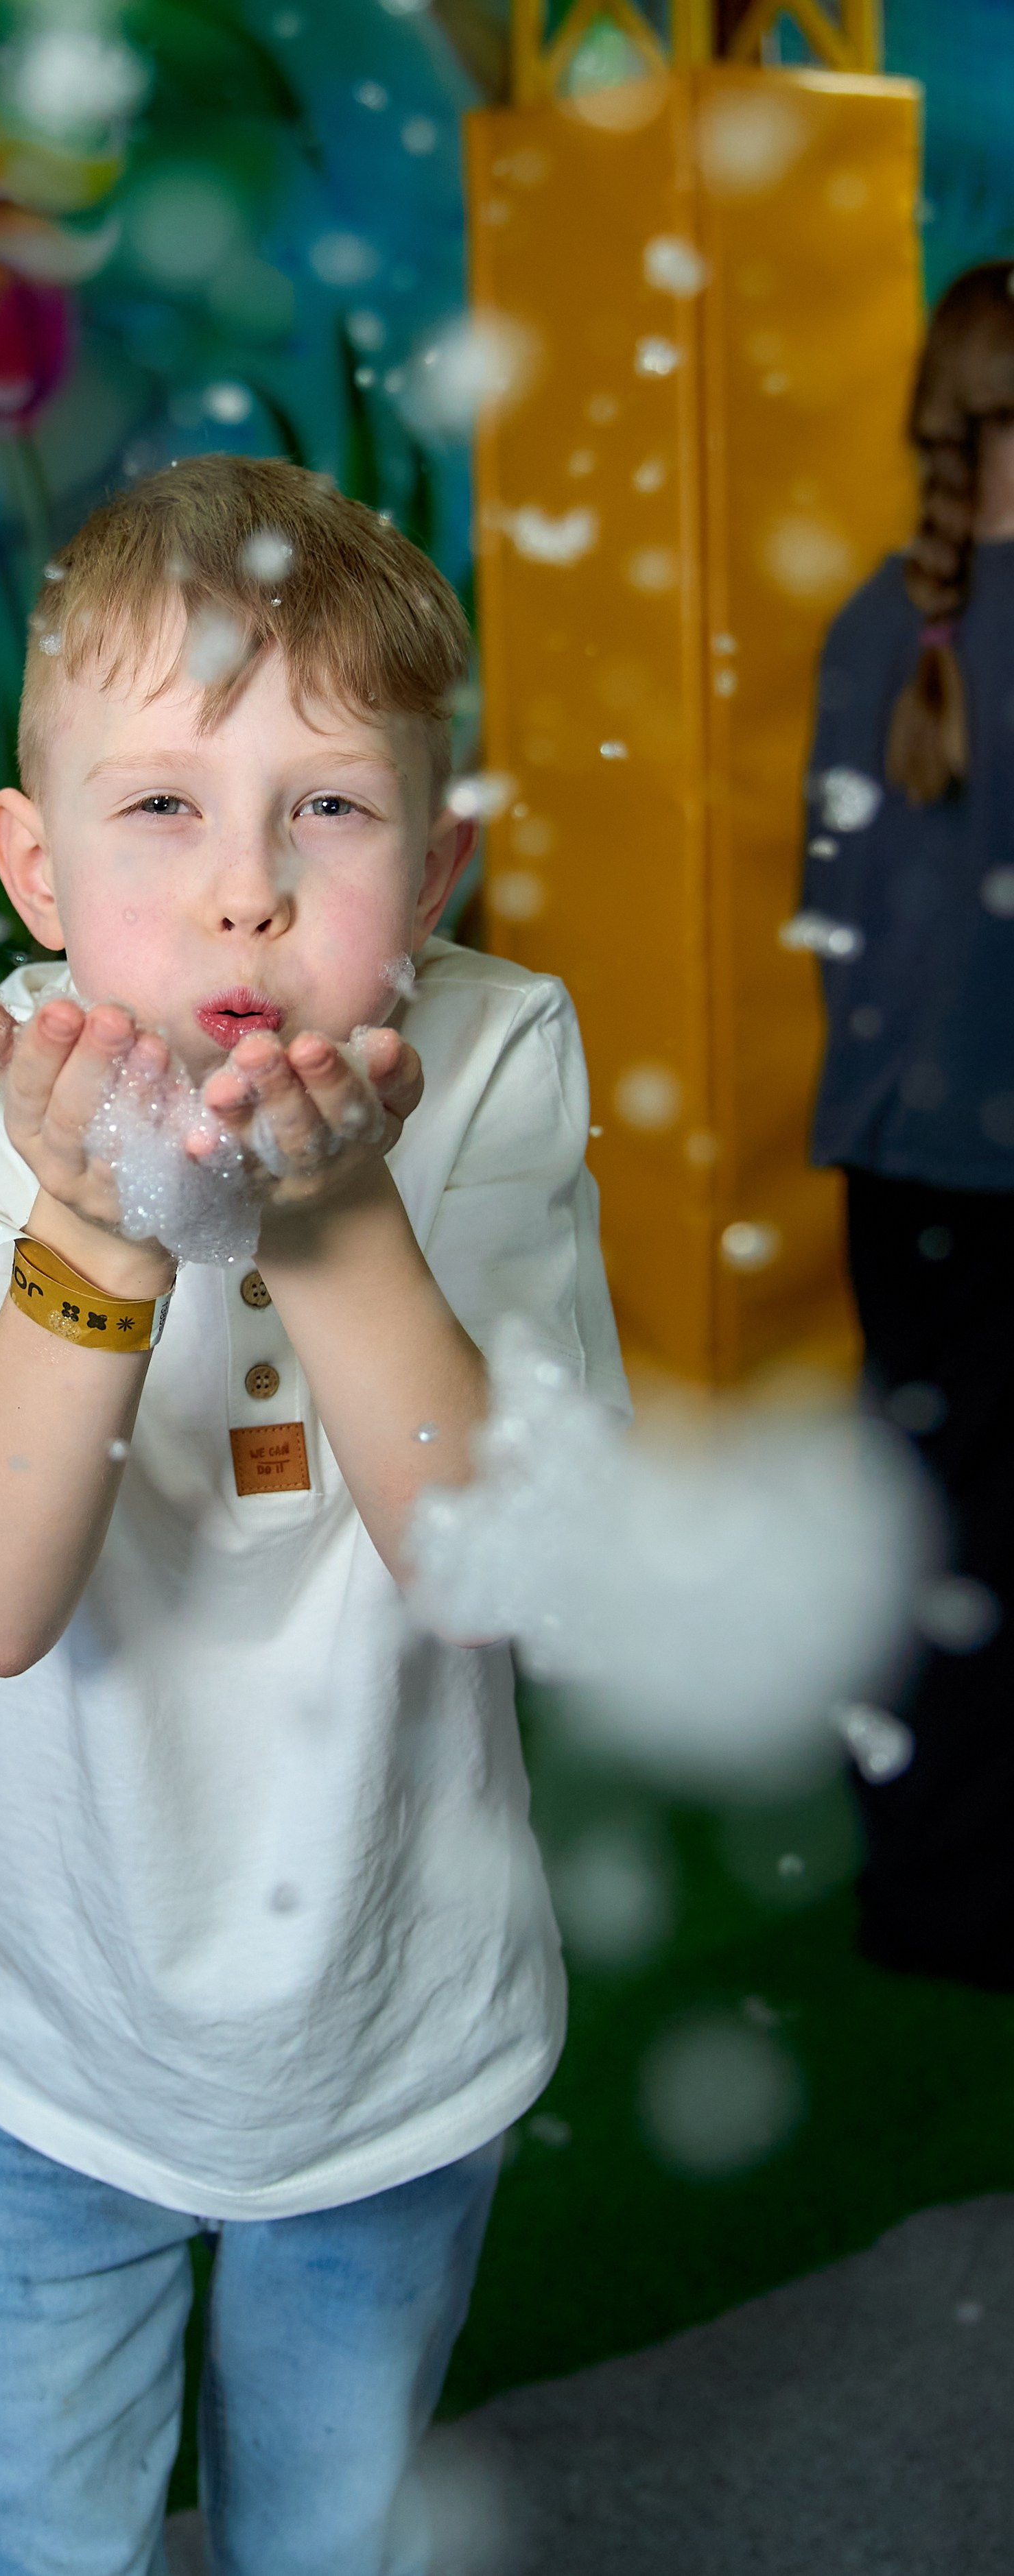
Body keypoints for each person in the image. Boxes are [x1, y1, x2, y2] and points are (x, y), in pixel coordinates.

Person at [0, 453, 626, 2575]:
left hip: (393, 2031)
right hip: (44, 2039)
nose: (246, 890)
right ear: (33, 858)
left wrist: (333, 1207)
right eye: (164, 803)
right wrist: (100, 1225)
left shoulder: (487, 1057)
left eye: (332, 808)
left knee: (330, 2539)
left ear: (441, 854)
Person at [800, 263, 1014, 1989]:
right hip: (992, 1163)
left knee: (927, 1524)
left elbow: (837, 911)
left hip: (895, 1163)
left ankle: (923, 1895)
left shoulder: (871, 620)